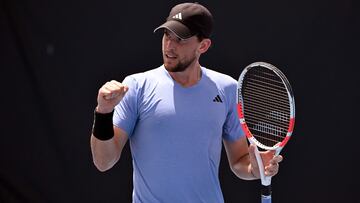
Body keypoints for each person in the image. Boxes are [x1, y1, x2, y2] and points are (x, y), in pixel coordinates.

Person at [90, 2, 283, 203]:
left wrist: (255, 169)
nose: (169, 46)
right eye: (167, 36)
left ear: (203, 45)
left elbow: (239, 161)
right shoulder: (136, 86)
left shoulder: (228, 89)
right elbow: (103, 162)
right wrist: (103, 113)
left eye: (180, 39)